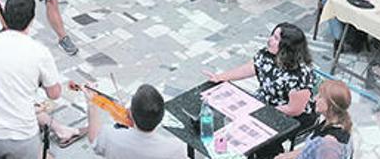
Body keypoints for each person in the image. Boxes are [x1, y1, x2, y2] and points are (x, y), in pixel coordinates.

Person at [0, 0, 62, 159]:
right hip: (22, 134)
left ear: (5, 14)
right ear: (31, 20)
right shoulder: (40, 52)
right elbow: (54, 93)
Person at [204, 22, 318, 153]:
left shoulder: (300, 74)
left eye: (276, 38)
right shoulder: (267, 54)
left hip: (291, 116)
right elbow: (250, 68)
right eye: (272, 35)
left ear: (286, 46)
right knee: (229, 118)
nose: (270, 40)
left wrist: (261, 112)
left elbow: (294, 109)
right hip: (265, 102)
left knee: (260, 140)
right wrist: (221, 77)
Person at [84, 83, 184, 159]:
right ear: (162, 116)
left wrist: (91, 103)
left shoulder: (110, 137)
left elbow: (94, 139)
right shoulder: (175, 147)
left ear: (130, 113)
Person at [275, 80, 353, 159]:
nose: (315, 99)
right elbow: (308, 148)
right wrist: (288, 156)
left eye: (320, 97)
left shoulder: (329, 146)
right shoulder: (331, 124)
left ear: (331, 106)